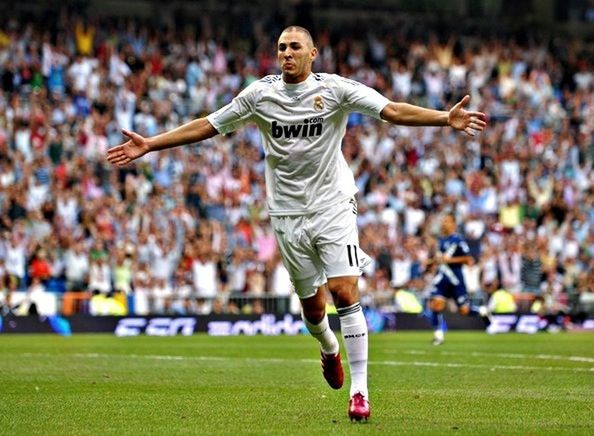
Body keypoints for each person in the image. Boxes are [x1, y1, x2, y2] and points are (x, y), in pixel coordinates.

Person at [106, 26, 487, 421]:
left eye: (294, 47)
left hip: (334, 205)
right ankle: (328, 349)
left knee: (344, 290)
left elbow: (390, 110)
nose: (286, 53)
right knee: (313, 308)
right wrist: (151, 143)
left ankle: (359, 392)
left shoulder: (336, 89)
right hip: (287, 214)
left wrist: (445, 118)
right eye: (282, 47)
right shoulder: (260, 94)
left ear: (313, 54)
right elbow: (209, 123)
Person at [427, 214, 486, 345]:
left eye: (447, 221)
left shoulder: (458, 240)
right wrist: (430, 262)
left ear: (453, 224)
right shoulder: (441, 241)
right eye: (443, 221)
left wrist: (451, 260)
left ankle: (482, 311)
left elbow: (468, 259)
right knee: (436, 304)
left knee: (464, 310)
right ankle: (438, 336)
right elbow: (440, 260)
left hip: (456, 279)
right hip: (442, 277)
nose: (444, 224)